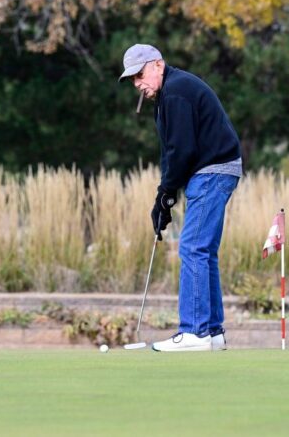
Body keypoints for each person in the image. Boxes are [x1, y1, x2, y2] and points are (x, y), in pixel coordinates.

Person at [119, 43, 242, 352]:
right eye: (133, 79)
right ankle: (212, 333)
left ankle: (195, 332)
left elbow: (183, 150)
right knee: (204, 250)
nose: (138, 83)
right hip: (215, 171)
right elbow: (171, 152)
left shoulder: (176, 91)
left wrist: (166, 192)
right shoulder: (167, 95)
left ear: (157, 65)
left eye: (140, 74)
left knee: (192, 247)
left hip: (212, 171)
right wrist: (164, 197)